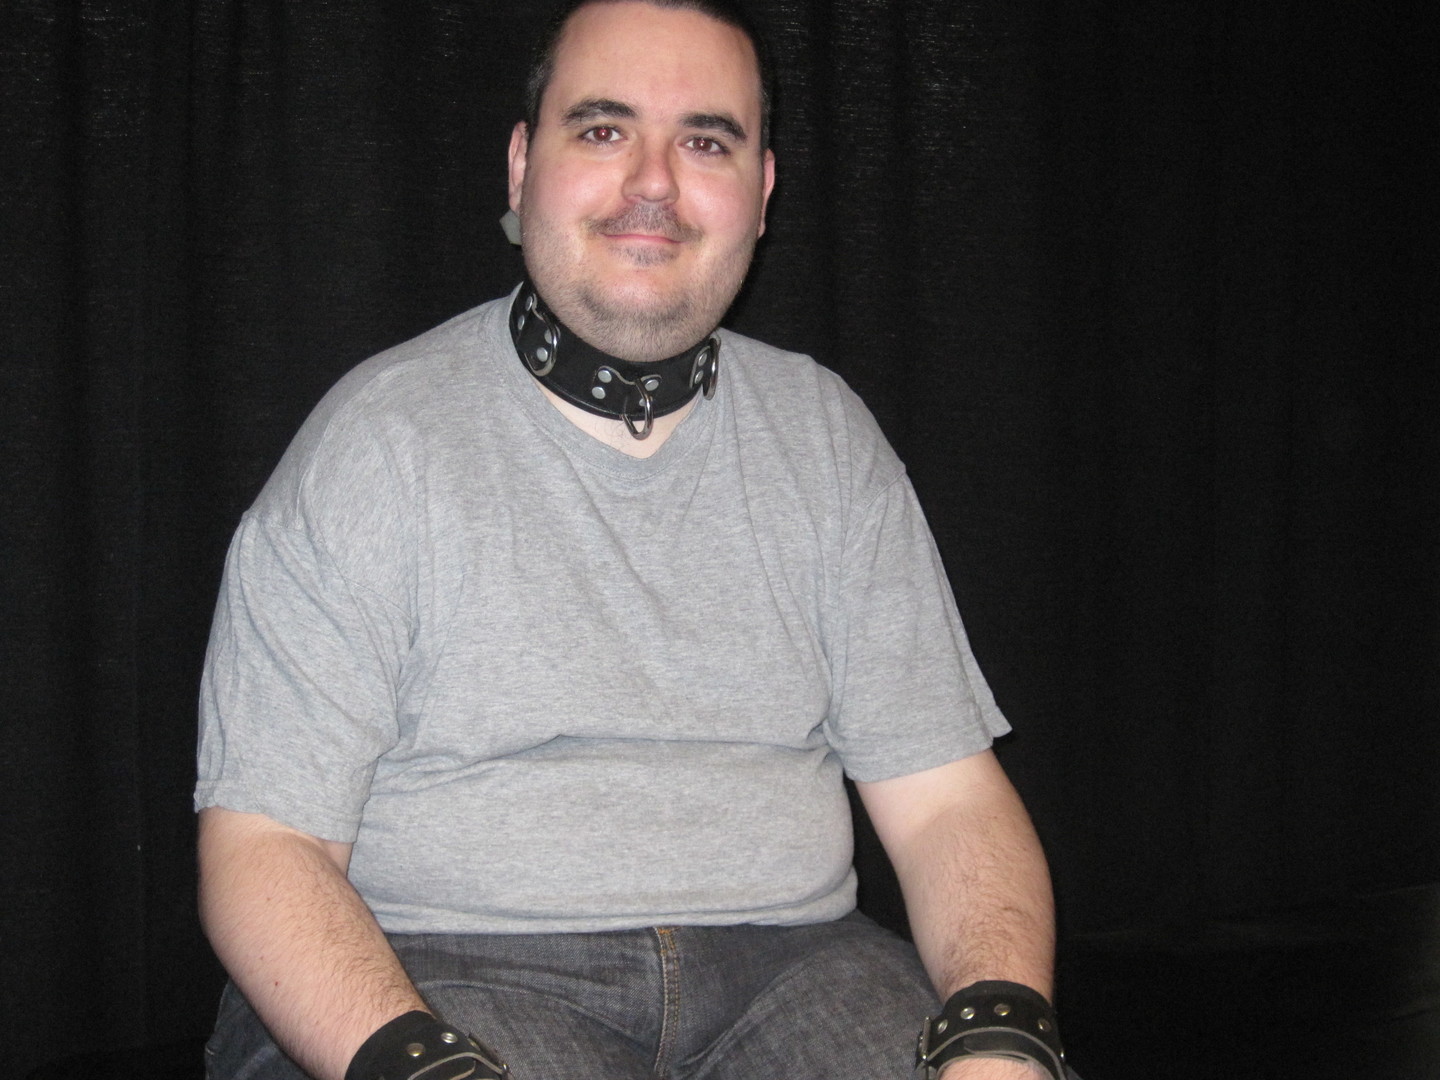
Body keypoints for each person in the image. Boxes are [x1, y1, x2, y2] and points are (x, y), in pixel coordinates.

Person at [195, 2, 1069, 1079]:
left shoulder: (826, 438)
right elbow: (265, 845)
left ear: (762, 191)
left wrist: (999, 1031)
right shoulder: (374, 447)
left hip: (798, 967)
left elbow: (947, 803)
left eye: (706, 141)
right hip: (439, 968)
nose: (653, 182)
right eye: (604, 130)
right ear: (523, 167)